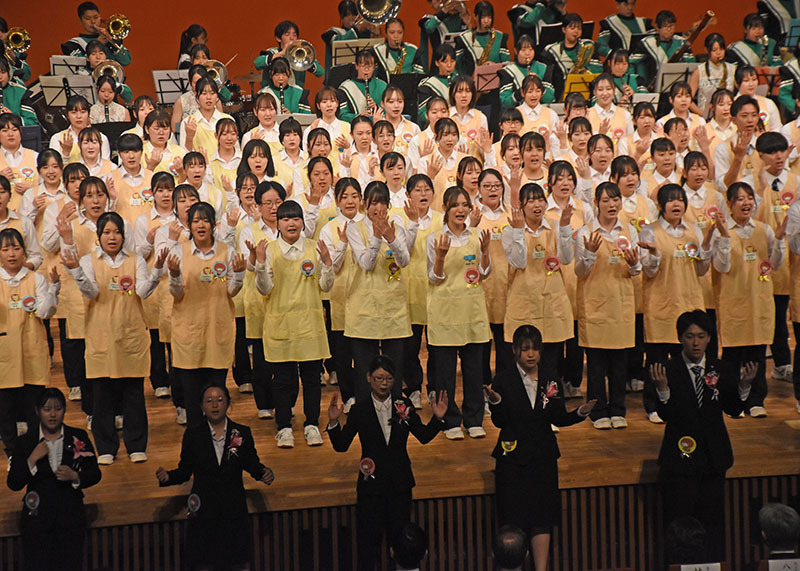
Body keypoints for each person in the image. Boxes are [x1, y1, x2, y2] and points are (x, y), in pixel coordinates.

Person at [486, 325, 594, 571]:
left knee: (542, 517)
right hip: (513, 460)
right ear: (515, 351)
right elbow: (499, 422)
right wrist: (496, 402)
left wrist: (578, 413)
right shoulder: (503, 379)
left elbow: (557, 417)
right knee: (513, 517)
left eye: (535, 349)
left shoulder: (550, 378)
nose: (531, 354)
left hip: (543, 457)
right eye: (525, 349)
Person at [650, 310, 756, 561]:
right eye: (689, 336)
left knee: (713, 525)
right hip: (680, 461)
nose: (695, 342)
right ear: (680, 339)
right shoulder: (667, 369)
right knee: (678, 527)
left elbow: (733, 409)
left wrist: (744, 387)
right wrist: (663, 390)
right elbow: (665, 415)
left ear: (709, 338)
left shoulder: (722, 368)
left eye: (700, 336)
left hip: (713, 459)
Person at [327, 354, 448, 571]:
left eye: (389, 379)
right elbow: (341, 445)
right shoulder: (359, 409)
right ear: (368, 378)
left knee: (401, 543)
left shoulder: (405, 406)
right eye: (379, 378)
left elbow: (423, 436)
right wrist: (334, 422)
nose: (384, 384)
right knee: (368, 546)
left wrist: (437, 419)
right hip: (371, 489)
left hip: (399, 486)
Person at [156, 384, 275, 571]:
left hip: (233, 511)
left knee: (237, 563)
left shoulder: (241, 432)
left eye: (220, 400)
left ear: (228, 403)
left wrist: (263, 473)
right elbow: (185, 471)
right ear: (202, 406)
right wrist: (168, 477)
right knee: (205, 563)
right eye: (209, 401)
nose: (214, 405)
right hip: (205, 513)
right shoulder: (193, 435)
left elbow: (251, 463)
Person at [254, 200, 333, 448]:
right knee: (283, 380)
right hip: (281, 326)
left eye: (296, 218)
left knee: (311, 378)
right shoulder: (270, 250)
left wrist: (328, 263)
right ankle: (284, 426)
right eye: (286, 219)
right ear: (277, 224)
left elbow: (325, 287)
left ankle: (311, 424)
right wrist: (258, 263)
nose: (291, 223)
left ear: (302, 223)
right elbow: (264, 289)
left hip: (310, 325)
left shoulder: (314, 248)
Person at [706, 181, 784, 417]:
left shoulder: (764, 229)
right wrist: (725, 237)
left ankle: (756, 399)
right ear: (729, 205)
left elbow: (776, 264)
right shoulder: (722, 231)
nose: (746, 202)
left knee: (757, 353)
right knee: (732, 355)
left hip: (759, 300)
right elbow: (722, 266)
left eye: (749, 197)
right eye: (740, 199)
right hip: (733, 300)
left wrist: (779, 240)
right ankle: (731, 401)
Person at [166, 201, 245, 427]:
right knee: (193, 399)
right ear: (189, 226)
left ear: (213, 224)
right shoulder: (178, 252)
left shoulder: (226, 251)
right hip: (188, 333)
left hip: (217, 329)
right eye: (195, 221)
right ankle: (197, 445)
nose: (201, 225)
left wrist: (238, 276)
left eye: (205, 220)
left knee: (216, 396)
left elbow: (231, 291)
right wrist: (173, 275)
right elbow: (177, 293)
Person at [7, 387, 102, 571]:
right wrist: (32, 459)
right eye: (47, 409)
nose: (52, 414)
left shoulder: (78, 437)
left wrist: (75, 476)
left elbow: (95, 473)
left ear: (64, 410)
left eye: (57, 409)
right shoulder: (26, 441)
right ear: (37, 411)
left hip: (70, 519)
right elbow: (14, 482)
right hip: (37, 521)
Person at [426, 186, 492, 439]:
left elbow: (485, 273)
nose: (461, 210)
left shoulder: (476, 236)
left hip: (472, 309)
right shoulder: (434, 239)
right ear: (445, 209)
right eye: (455, 205)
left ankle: (474, 418)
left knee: (474, 369)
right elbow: (433, 278)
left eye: (465, 205)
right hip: (444, 311)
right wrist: (441, 257)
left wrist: (485, 252)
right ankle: (450, 420)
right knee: (445, 372)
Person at [575, 182, 641, 429]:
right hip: (595, 306)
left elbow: (637, 271)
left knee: (619, 364)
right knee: (596, 365)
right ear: (596, 204)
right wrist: (590, 254)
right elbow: (579, 271)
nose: (612, 205)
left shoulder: (629, 232)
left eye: (616, 200)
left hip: (620, 304)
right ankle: (597, 411)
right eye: (606, 200)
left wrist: (634, 264)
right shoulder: (585, 232)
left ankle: (618, 409)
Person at [345, 181, 412, 403]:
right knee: (366, 371)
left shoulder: (396, 227)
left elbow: (403, 261)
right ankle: (366, 416)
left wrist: (391, 238)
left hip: (393, 309)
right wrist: (376, 236)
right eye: (373, 202)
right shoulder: (354, 229)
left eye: (382, 202)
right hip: (364, 310)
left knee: (394, 370)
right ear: (365, 204)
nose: (378, 208)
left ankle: (395, 416)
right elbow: (366, 263)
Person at [0, 227, 59, 466]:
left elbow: (45, 312)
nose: (11, 254)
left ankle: (38, 451)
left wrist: (53, 289)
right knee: (5, 410)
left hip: (32, 350)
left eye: (16, 248)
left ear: (25, 252)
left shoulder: (37, 279)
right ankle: (13, 453)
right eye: (5, 249)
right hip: (5, 354)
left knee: (34, 407)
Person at [503, 183, 574, 380]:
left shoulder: (556, 226)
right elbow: (518, 262)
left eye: (541, 199)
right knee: (524, 363)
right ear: (522, 206)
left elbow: (567, 259)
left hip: (552, 301)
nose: (537, 204)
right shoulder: (510, 231)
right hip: (524, 299)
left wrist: (566, 227)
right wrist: (519, 232)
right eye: (531, 200)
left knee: (551, 363)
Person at [542, 13, 602, 101]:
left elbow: (599, 70)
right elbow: (548, 77)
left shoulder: (588, 47)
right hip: (560, 97)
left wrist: (586, 69)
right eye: (572, 28)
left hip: (585, 96)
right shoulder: (551, 51)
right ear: (564, 29)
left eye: (579, 28)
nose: (576, 31)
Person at [634, 10, 695, 90]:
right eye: (666, 26)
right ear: (657, 27)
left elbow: (692, 65)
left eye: (672, 26)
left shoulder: (682, 43)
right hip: (652, 89)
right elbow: (633, 64)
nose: (669, 29)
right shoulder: (646, 43)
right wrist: (641, 86)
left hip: (677, 89)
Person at [254, 20, 323, 90]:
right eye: (287, 34)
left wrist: (306, 62)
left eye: (294, 35)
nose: (292, 38)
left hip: (297, 96)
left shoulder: (302, 52)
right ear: (278, 38)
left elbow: (320, 72)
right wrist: (282, 53)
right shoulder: (272, 52)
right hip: (272, 96)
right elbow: (257, 63)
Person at [61, 1, 131, 67]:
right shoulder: (74, 43)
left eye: (96, 17)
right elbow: (80, 64)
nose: (93, 21)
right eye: (88, 18)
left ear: (100, 18)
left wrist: (112, 41)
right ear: (80, 21)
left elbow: (126, 61)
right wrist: (98, 43)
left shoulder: (109, 39)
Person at [48, 95, 111, 165]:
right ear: (67, 115)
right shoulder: (57, 138)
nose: (78, 116)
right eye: (73, 112)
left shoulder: (101, 138)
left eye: (83, 112)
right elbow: (53, 169)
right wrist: (66, 153)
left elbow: (106, 167)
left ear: (88, 114)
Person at [454, 1, 510, 78]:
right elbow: (457, 66)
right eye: (483, 17)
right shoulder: (463, 38)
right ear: (475, 16)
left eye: (489, 17)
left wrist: (494, 66)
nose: (486, 21)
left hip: (496, 83)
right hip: (469, 85)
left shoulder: (500, 37)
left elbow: (507, 64)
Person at [498, 34, 555, 110]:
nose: (528, 54)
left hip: (541, 111)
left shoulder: (543, 68)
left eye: (531, 50)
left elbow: (550, 99)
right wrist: (523, 90)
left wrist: (539, 85)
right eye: (523, 50)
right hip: (517, 113)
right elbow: (504, 102)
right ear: (516, 51)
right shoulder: (507, 71)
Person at [689, 34, 736, 118]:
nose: (718, 53)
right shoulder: (699, 71)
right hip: (706, 118)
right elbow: (688, 99)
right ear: (707, 50)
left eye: (721, 49)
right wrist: (703, 114)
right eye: (714, 50)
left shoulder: (732, 69)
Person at [419, 0, 469, 73]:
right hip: (439, 66)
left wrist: (463, 12)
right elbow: (429, 28)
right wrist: (444, 10)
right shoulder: (428, 19)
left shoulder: (458, 18)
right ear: (430, 4)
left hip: (459, 64)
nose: (441, 1)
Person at [417, 43, 458, 126]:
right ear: (437, 63)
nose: (449, 65)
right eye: (445, 62)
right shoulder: (427, 85)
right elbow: (422, 115)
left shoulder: (461, 81)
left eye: (452, 61)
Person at [0, 59, 37, 126]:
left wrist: (14, 119)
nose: (0, 77)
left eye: (3, 72)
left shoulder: (20, 91)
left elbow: (32, 123)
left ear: (9, 73)